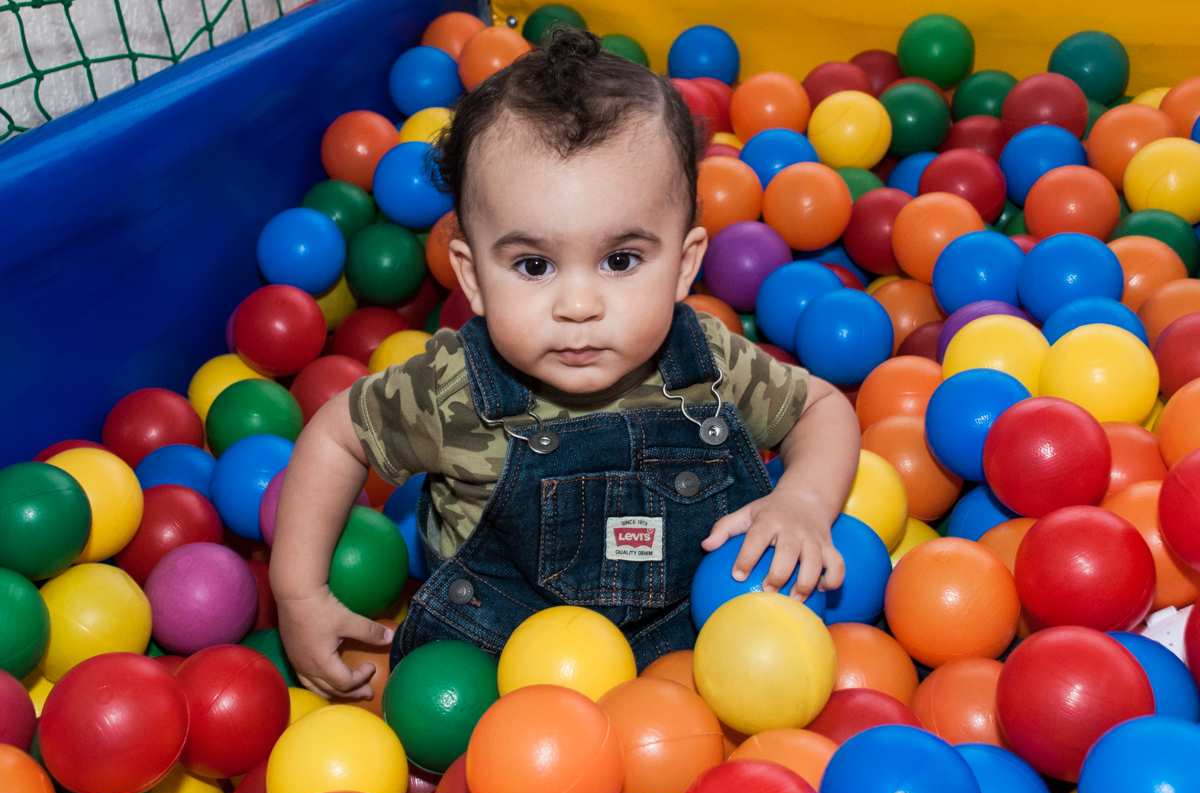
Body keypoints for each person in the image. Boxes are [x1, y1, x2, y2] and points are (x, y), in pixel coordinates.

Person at [271, 28, 861, 701]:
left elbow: (821, 406)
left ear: (685, 263)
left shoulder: (707, 363)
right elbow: (337, 432)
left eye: (620, 260)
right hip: (491, 667)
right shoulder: (453, 386)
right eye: (532, 265)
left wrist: (804, 501)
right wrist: (299, 593)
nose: (578, 304)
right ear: (471, 275)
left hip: (690, 662)